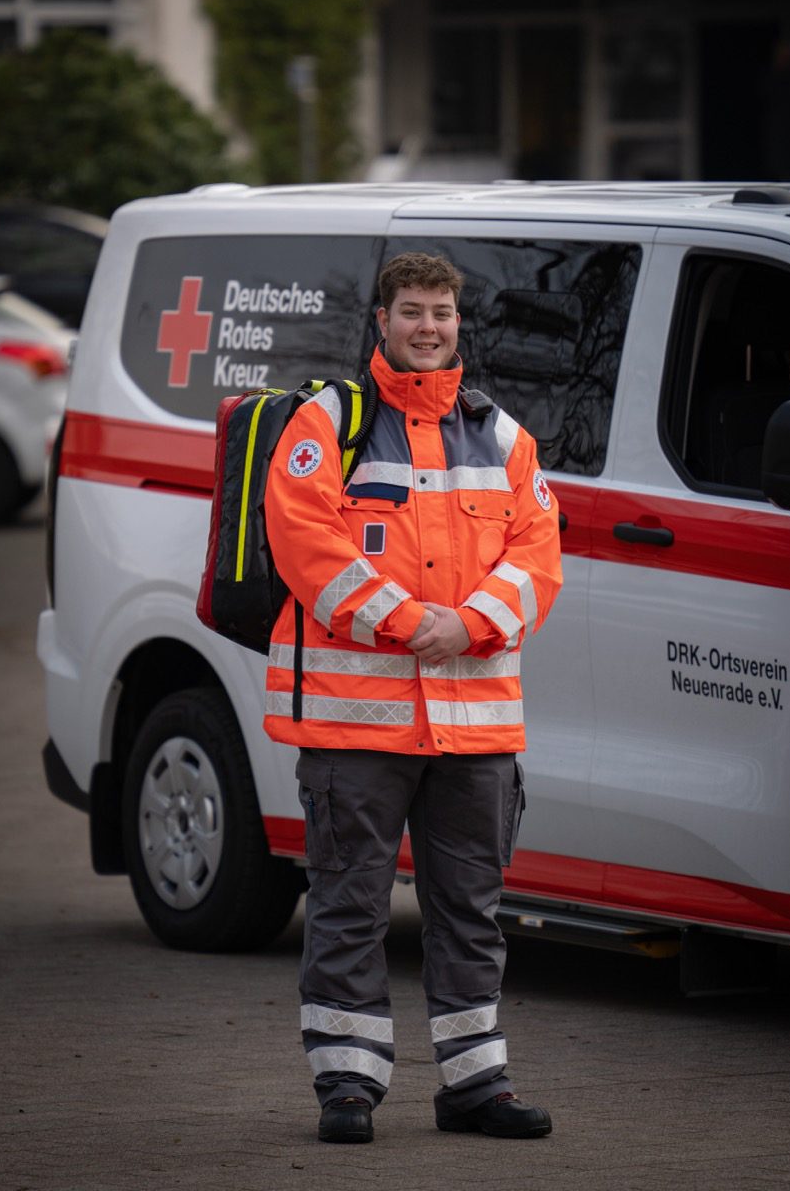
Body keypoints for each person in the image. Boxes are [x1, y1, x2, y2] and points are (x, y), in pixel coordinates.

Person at [263, 252, 563, 1143]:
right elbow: (305, 544)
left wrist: (467, 625)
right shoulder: (329, 421)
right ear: (382, 322)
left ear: (457, 322)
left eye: (441, 312)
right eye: (411, 311)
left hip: (473, 732)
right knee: (349, 906)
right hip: (357, 728)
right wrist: (406, 622)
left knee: (470, 914)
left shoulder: (502, 437)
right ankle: (347, 1086)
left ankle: (475, 1086)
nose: (427, 327)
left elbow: (539, 557)